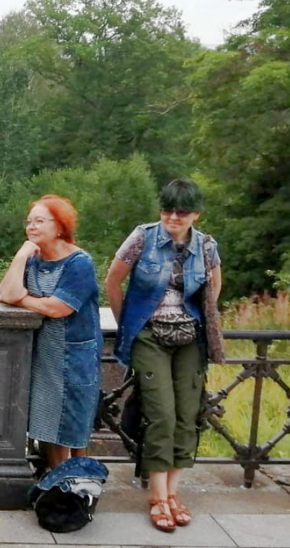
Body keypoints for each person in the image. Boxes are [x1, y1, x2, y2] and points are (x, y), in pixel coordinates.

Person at [104, 178, 222, 533]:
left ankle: (173, 492)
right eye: (167, 209)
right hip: (150, 335)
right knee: (161, 414)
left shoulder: (206, 246)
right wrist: (129, 323)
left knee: (188, 414)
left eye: (181, 211)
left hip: (191, 338)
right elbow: (113, 280)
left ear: (195, 214)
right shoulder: (143, 237)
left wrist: (205, 315)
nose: (172, 216)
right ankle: (156, 497)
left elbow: (215, 283)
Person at [0, 195, 102, 472]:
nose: (32, 227)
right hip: (44, 355)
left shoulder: (79, 263)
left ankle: (79, 487)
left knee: (74, 425)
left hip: (76, 357)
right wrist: (21, 255)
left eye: (40, 221)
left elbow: (58, 308)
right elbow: (6, 292)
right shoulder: (33, 259)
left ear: (60, 226)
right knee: (47, 424)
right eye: (29, 222)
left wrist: (23, 300)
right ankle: (56, 483)